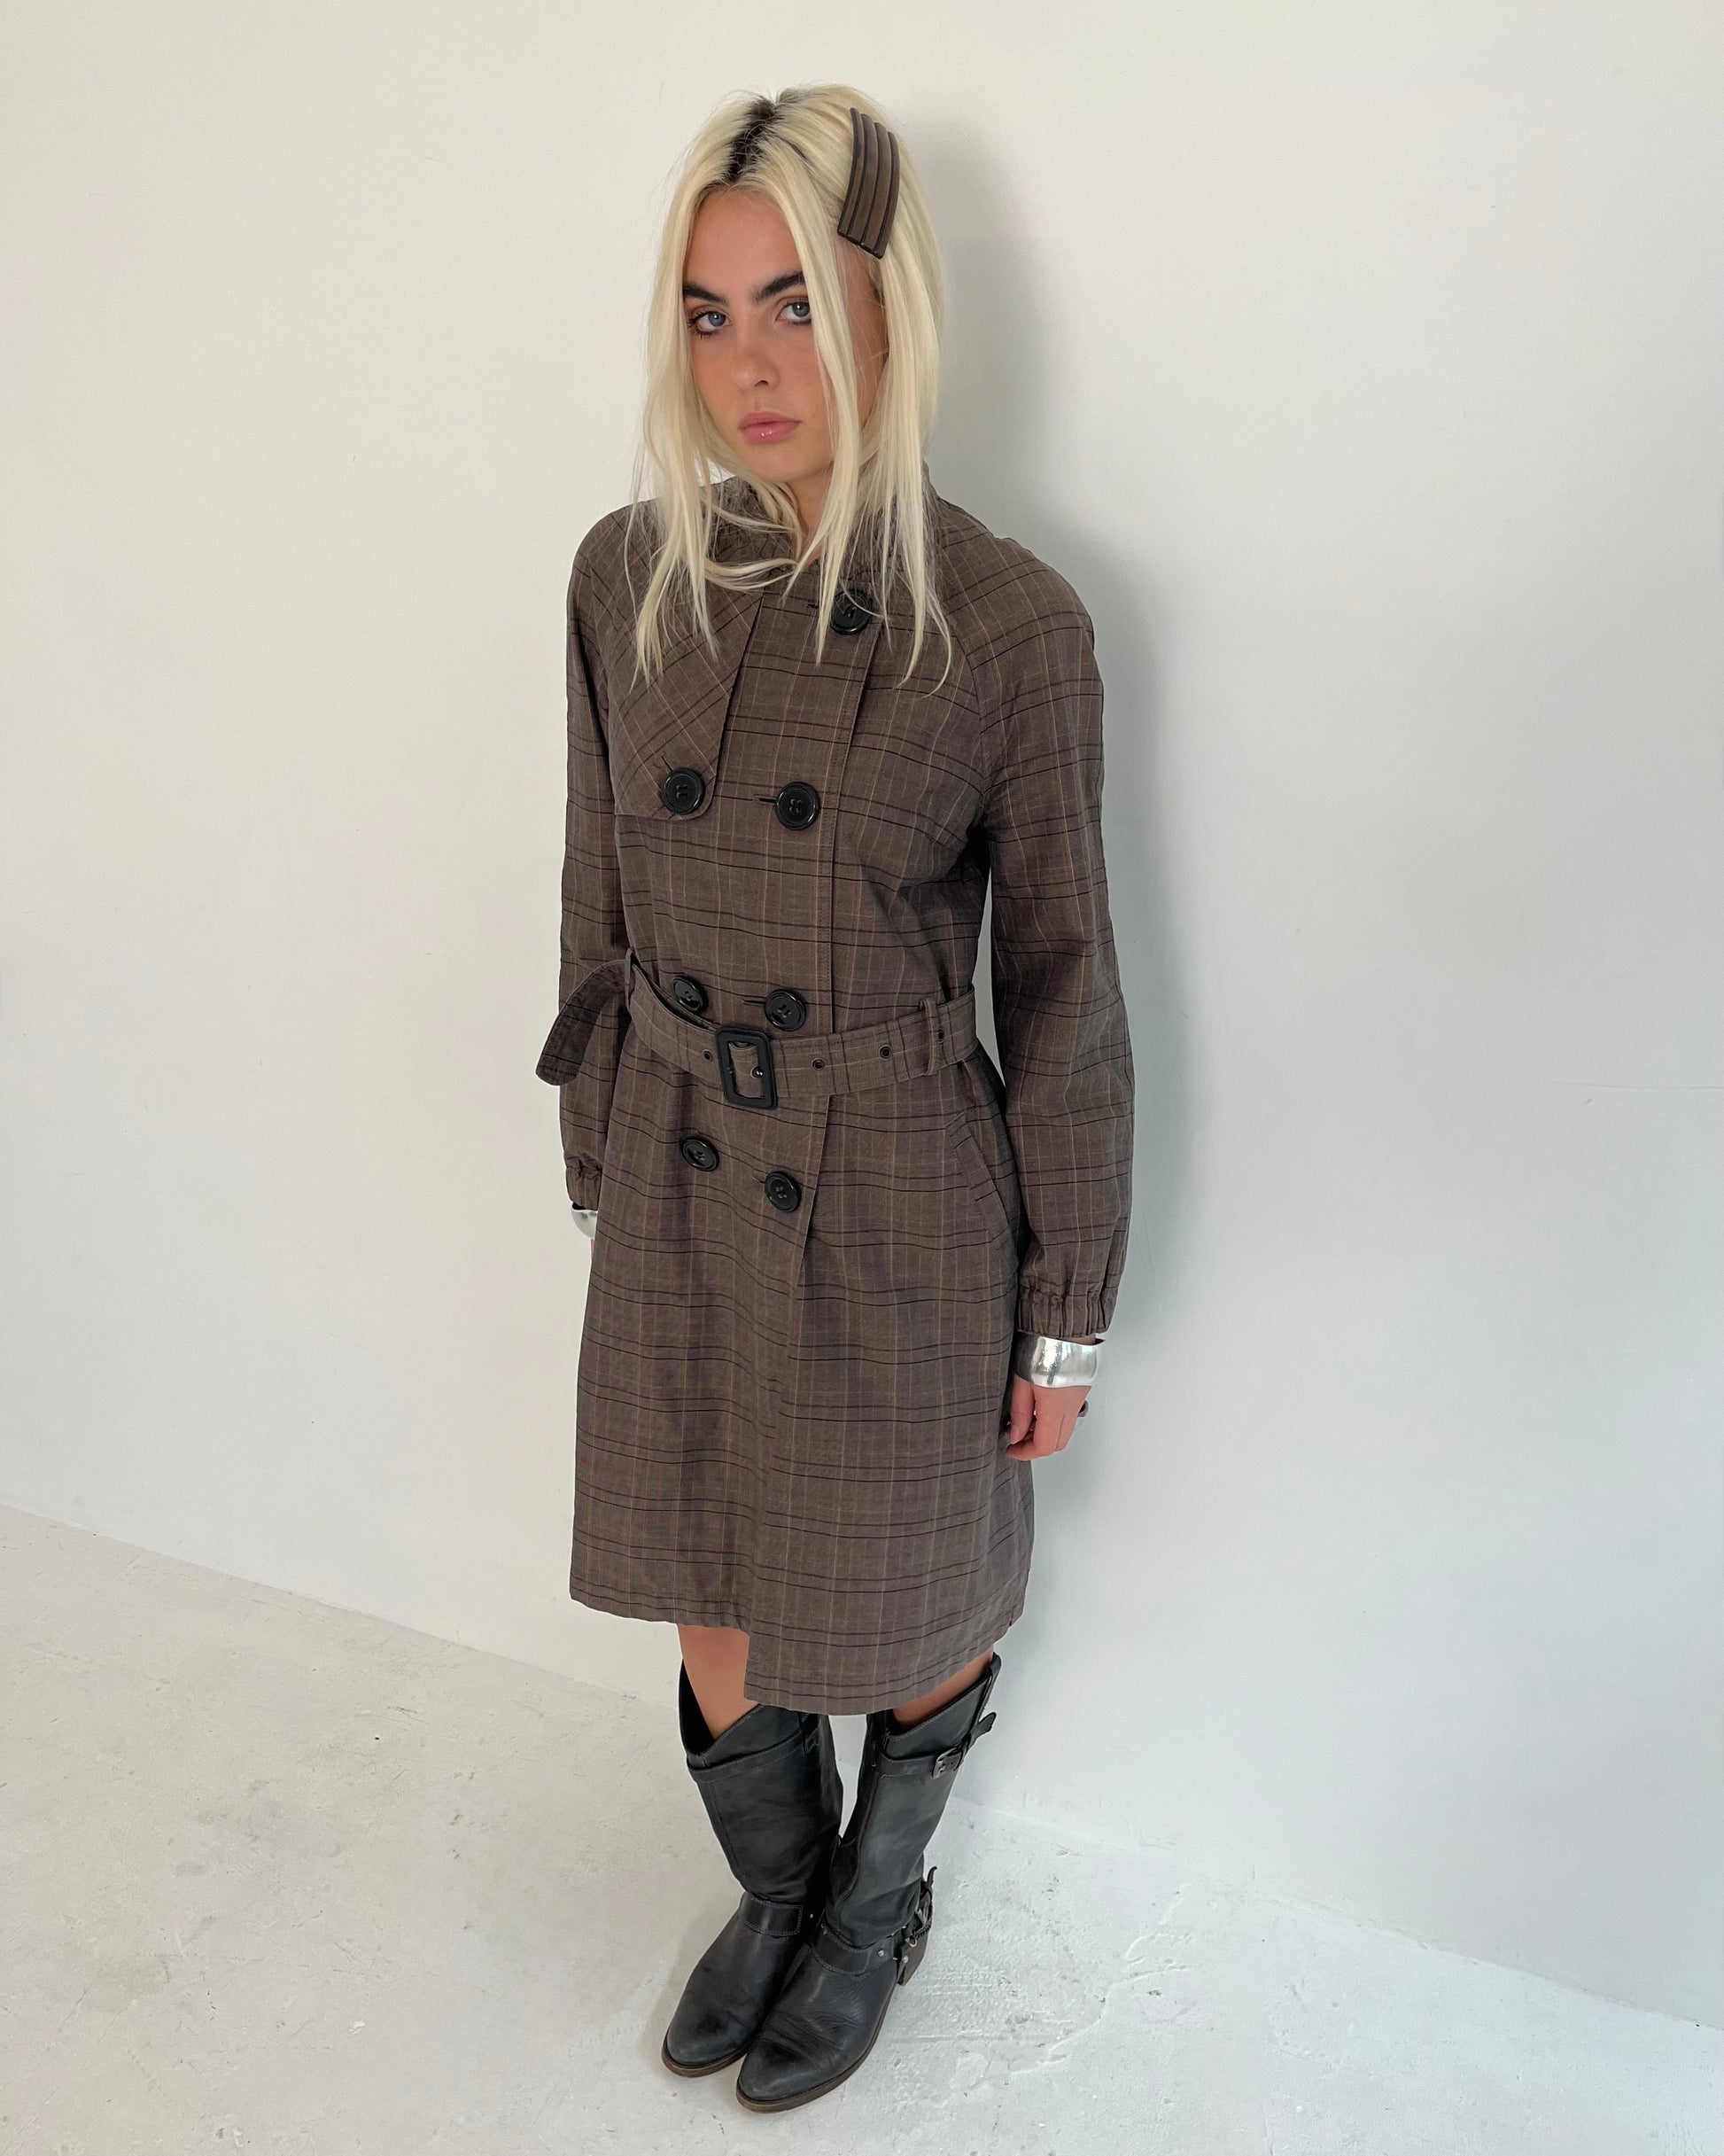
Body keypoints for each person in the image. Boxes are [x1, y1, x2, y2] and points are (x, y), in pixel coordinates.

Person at [534, 84, 1134, 2113]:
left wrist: (1064, 1311)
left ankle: (872, 1911)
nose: (750, 363)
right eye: (708, 313)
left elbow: (1065, 990)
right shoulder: (625, 574)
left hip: (896, 1186)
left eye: (796, 300)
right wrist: (600, 1150)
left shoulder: (1009, 624)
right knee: (707, 1586)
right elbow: (595, 893)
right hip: (686, 1162)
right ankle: (780, 1890)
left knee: (905, 1600)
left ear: (891, 308)